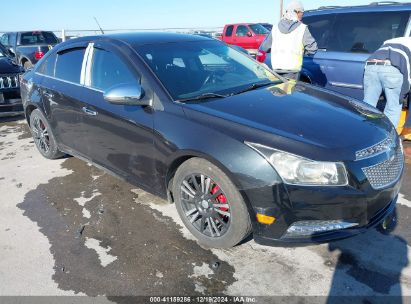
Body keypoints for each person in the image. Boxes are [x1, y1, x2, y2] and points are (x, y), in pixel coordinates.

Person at [260, 0, 318, 80]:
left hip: (276, 70)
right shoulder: (302, 28)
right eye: (302, 12)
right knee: (291, 92)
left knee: (279, 91)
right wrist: (303, 52)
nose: (302, 15)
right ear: (296, 12)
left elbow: (263, 48)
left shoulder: (275, 28)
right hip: (293, 72)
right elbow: (313, 49)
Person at [363, 37, 411, 129]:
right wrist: (405, 90)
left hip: (370, 66)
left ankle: (364, 132)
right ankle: (388, 137)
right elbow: (407, 71)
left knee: (368, 105)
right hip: (392, 68)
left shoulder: (392, 40)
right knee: (393, 107)